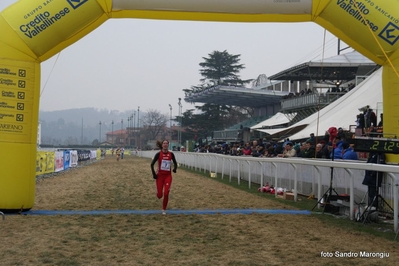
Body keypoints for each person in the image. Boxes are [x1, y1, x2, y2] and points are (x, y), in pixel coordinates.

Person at [150, 140, 178, 215]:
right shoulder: (158, 154)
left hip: (168, 176)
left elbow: (175, 163)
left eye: (166, 143)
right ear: (162, 145)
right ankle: (158, 193)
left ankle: (164, 209)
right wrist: (154, 174)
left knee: (166, 193)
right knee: (160, 195)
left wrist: (175, 169)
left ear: (168, 145)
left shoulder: (171, 154)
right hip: (160, 176)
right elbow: (152, 164)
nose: (165, 145)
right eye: (164, 143)